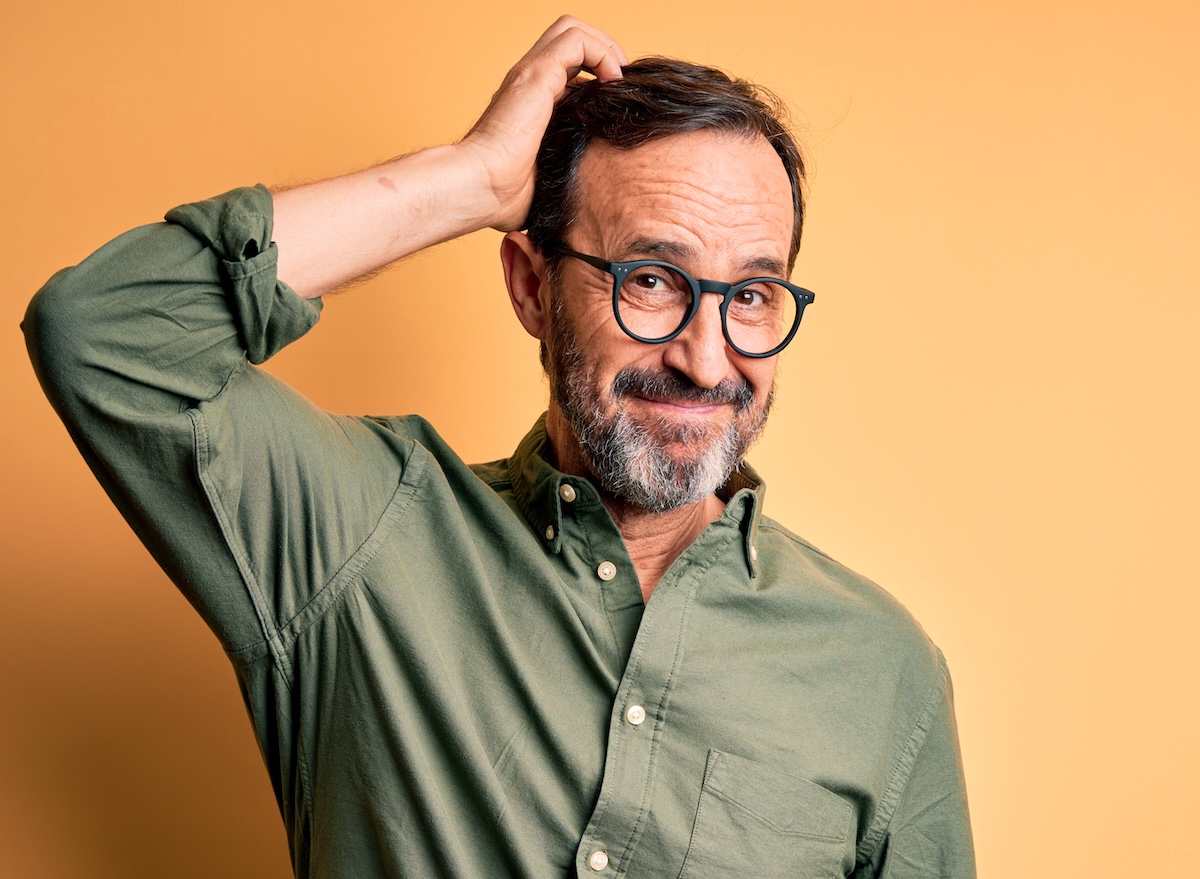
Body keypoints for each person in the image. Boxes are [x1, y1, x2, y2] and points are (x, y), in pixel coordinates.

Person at [23, 15, 973, 879]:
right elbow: (101, 335)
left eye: (753, 295)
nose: (705, 355)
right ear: (530, 287)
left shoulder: (884, 673)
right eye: (651, 279)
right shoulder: (361, 540)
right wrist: (473, 180)